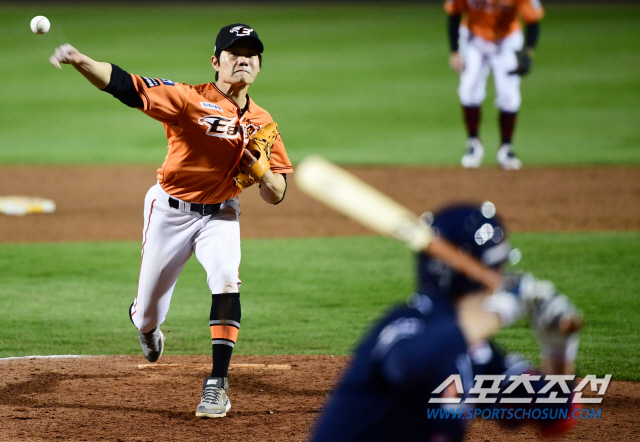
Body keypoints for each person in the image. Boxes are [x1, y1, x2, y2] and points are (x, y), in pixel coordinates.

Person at [49, 23, 293, 418]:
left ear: (259, 66)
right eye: (234, 53)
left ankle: (217, 384)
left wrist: (261, 169)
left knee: (226, 278)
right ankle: (144, 323)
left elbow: (276, 193)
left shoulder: (263, 124)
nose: (243, 59)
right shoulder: (187, 98)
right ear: (216, 62)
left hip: (222, 214)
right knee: (148, 314)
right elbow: (127, 86)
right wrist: (81, 62)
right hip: (169, 212)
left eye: (251, 54)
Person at [310, 202, 582, 441]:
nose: (500, 277)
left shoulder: (479, 357)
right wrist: (500, 310)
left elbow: (556, 414)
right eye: (497, 268)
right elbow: (410, 365)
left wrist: (558, 349)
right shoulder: (404, 325)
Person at [445, 0, 545, 170]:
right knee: (468, 90)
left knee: (509, 95)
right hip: (473, 38)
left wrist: (529, 51)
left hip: (507, 39)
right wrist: (454, 51)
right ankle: (473, 144)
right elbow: (453, 14)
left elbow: (533, 20)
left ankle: (506, 148)